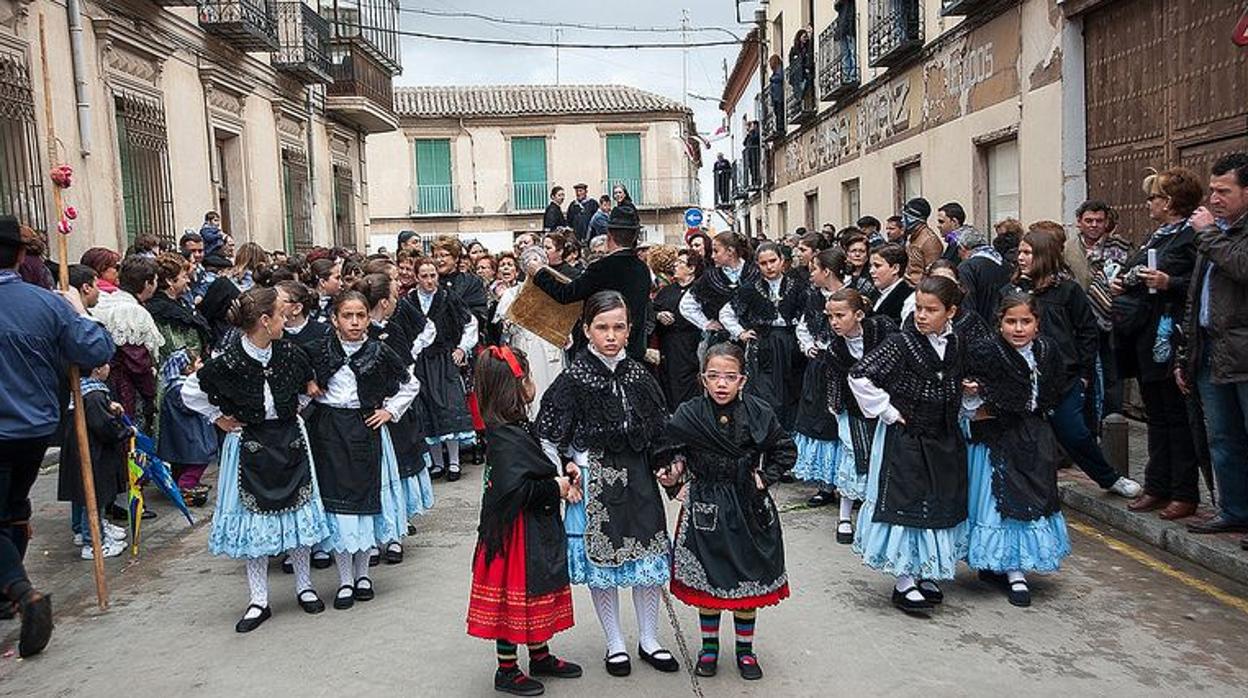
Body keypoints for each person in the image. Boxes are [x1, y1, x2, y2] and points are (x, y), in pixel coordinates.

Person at [535, 291, 676, 678]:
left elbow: (661, 430)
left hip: (639, 479)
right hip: (594, 480)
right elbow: (547, 435)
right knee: (605, 568)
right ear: (586, 330)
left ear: (630, 330)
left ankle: (650, 639)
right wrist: (564, 473)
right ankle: (615, 643)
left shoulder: (639, 375)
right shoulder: (572, 379)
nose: (611, 335)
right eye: (602, 327)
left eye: (618, 327)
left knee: (646, 560)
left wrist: (668, 465)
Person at [182, 287, 330, 632]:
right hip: (249, 443)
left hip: (290, 440)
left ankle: (304, 587)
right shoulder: (229, 360)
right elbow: (190, 390)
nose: (287, 317)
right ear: (265, 320)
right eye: (281, 313)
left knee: (298, 511)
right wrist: (217, 417)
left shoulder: (290, 353)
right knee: (255, 523)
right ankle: (258, 599)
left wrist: (296, 410)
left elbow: (309, 388)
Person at [0, 216, 114, 656]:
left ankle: (20, 591)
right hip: (32, 426)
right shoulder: (45, 304)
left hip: (22, 423)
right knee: (12, 506)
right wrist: (75, 311)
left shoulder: (43, 303)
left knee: (6, 509)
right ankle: (8, 597)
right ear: (20, 255)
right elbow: (97, 349)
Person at [654, 342, 796, 681]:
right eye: (714, 376)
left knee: (748, 581)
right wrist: (674, 484)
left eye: (730, 377)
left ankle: (745, 650)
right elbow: (665, 451)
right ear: (703, 378)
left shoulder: (759, 412)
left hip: (748, 506)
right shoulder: (689, 413)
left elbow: (784, 449)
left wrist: (764, 478)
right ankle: (709, 648)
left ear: (743, 380)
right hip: (705, 505)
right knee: (710, 581)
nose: (721, 384)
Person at [848, 276, 970, 615]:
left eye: (931, 310)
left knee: (938, 500)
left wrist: (966, 396)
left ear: (952, 312)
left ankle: (927, 570)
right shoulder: (902, 343)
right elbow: (860, 375)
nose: (922, 315)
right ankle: (904, 580)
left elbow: (957, 379)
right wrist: (888, 411)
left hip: (943, 435)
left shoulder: (957, 343)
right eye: (918, 308)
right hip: (907, 438)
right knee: (907, 501)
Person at [467, 345, 582, 696]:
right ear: (515, 387)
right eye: (528, 377)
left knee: (536, 590)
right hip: (515, 535)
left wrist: (562, 471)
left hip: (529, 529)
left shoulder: (513, 428)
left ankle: (540, 655)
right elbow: (515, 491)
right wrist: (556, 488)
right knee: (514, 596)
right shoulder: (506, 438)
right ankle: (506, 669)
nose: (532, 383)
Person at [1003, 230, 1141, 498]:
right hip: (1021, 379)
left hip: (1063, 379)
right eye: (1020, 252)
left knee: (1074, 434)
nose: (1020, 258)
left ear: (1043, 255)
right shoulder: (1011, 292)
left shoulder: (1067, 291)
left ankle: (1110, 478)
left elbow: (1087, 331)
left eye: (1027, 252)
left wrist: (1084, 373)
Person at [305, 289, 418, 610]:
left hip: (366, 429)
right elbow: (300, 378)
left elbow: (410, 383)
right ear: (334, 319)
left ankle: (363, 574)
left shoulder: (379, 352)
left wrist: (389, 411)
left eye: (360, 316)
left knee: (367, 502)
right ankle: (344, 580)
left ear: (369, 318)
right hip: (329, 432)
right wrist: (309, 384)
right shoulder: (318, 350)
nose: (354, 322)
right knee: (339, 507)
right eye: (347, 316)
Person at [963, 293, 1071, 607]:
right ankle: (1010, 569)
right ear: (1000, 324)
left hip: (1033, 435)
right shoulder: (986, 352)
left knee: (1031, 497)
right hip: (996, 439)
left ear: (1038, 324)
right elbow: (972, 396)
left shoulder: (1047, 351)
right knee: (1001, 502)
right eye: (1011, 321)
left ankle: (1014, 562)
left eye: (1026, 321)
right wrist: (979, 393)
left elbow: (1053, 390)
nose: (1019, 329)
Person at [1110, 169, 1201, 520]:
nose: (1149, 203)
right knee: (1157, 417)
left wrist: (1169, 282)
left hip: (1171, 338)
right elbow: (1136, 271)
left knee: (1177, 419)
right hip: (1147, 340)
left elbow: (1198, 283)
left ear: (1171, 202)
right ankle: (1157, 485)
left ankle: (1184, 492)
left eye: (1155, 197)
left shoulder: (1191, 237)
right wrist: (1123, 282)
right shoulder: (1156, 238)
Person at [1178, 153, 1248, 542]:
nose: (1214, 198)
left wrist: (1207, 233)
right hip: (1211, 351)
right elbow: (1195, 298)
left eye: (1224, 191)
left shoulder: (1215, 234)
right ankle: (1234, 510)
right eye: (1213, 190)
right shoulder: (1217, 231)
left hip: (1244, 354)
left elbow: (1241, 267)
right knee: (1222, 438)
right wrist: (1185, 352)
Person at [359, 273, 437, 564]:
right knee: (373, 476)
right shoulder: (362, 335)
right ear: (383, 302)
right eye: (393, 296)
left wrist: (392, 407)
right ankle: (373, 537)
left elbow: (406, 374)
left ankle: (395, 534)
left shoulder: (394, 331)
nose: (397, 302)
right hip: (367, 416)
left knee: (398, 474)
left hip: (395, 414)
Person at [527, 203, 653, 361]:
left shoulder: (602, 267)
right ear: (635, 236)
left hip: (602, 352)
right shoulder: (643, 269)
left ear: (609, 235)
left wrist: (539, 273)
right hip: (633, 350)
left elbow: (566, 294)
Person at [824, 288, 896, 544]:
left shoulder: (882, 330)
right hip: (853, 409)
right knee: (853, 456)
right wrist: (836, 406)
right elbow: (834, 380)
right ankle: (844, 516)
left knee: (882, 459)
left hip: (886, 403)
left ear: (859, 314)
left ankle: (876, 517)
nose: (834, 322)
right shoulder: (835, 348)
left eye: (840, 316)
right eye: (830, 316)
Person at [717, 241, 801, 427]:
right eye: (764, 263)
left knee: (792, 390)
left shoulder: (797, 286)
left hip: (791, 345)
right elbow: (726, 313)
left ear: (782, 261)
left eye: (773, 261)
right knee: (765, 393)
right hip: (764, 346)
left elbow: (807, 315)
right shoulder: (750, 288)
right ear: (757, 265)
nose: (769, 266)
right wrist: (741, 333)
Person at [792, 248, 851, 507]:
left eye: (814, 269)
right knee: (820, 423)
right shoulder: (813, 296)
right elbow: (803, 326)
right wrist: (808, 346)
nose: (810, 273)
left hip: (845, 368)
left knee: (843, 427)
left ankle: (847, 484)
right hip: (819, 368)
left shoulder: (852, 294)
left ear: (827, 271)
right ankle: (825, 485)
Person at [1067, 201, 1134, 427]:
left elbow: (1132, 276)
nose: (1094, 225)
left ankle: (1111, 423)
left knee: (1112, 373)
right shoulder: (1068, 249)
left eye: (1099, 221)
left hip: (1112, 321)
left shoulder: (1121, 247)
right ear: (1079, 222)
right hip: (1079, 323)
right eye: (1089, 221)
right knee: (1086, 374)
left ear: (1107, 222)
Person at [410, 257, 478, 481]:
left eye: (433, 276)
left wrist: (461, 348)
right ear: (416, 278)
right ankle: (437, 463)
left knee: (449, 406)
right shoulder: (409, 300)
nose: (430, 281)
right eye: (425, 276)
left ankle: (455, 462)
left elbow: (470, 322)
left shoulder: (448, 297)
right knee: (427, 408)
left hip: (444, 359)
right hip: (420, 362)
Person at [57, 362, 130, 559]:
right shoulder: (94, 395)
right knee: (92, 496)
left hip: (81, 451)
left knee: (81, 494)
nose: (109, 368)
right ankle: (93, 542)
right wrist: (125, 431)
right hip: (92, 453)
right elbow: (104, 426)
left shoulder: (83, 391)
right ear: (96, 369)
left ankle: (84, 531)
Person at [94, 255, 163, 431]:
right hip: (125, 389)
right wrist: (150, 393)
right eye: (155, 280)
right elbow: (137, 362)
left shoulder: (108, 301)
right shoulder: (130, 311)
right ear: (147, 283)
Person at [495, 247, 566, 408]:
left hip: (551, 348)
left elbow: (564, 323)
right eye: (528, 263)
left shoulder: (556, 292)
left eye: (537, 262)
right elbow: (503, 326)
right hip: (525, 346)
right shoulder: (512, 293)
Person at [156, 348, 216, 506]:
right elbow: (189, 406)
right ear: (188, 368)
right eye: (198, 362)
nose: (202, 364)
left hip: (184, 433)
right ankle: (186, 485)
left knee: (183, 461)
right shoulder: (180, 388)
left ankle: (180, 483)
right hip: (189, 434)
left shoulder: (174, 386)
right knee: (199, 459)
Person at [653, 249, 704, 408]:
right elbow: (653, 309)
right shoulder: (667, 291)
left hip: (691, 345)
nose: (675, 265)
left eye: (680, 263)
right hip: (668, 346)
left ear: (691, 268)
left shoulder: (700, 290)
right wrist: (658, 315)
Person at [954, 226, 1011, 323]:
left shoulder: (967, 268)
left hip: (979, 327)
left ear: (962, 248)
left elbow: (967, 305)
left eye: (958, 251)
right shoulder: (1003, 263)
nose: (958, 256)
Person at [869, 243, 914, 323]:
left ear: (895, 268)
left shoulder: (907, 297)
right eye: (870, 266)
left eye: (877, 266)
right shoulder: (873, 293)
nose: (871, 271)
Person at [902, 198, 942, 285]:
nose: (902, 220)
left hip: (920, 289)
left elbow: (933, 274)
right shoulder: (911, 236)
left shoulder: (930, 241)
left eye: (905, 217)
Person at [842, 230, 877, 302]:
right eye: (853, 251)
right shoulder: (841, 274)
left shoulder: (873, 275)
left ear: (867, 255)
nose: (857, 254)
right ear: (847, 254)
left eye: (862, 251)